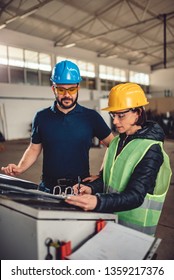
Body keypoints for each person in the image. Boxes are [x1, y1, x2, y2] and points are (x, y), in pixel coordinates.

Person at [66, 82, 172, 235]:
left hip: (136, 232)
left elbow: (136, 196)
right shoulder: (116, 142)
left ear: (138, 113)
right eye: (113, 115)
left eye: (121, 115)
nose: (115, 121)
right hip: (111, 222)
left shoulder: (151, 149)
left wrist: (97, 201)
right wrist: (91, 188)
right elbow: (109, 179)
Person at [1, 60, 114, 193]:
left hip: (80, 189)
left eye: (71, 89)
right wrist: (20, 167)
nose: (67, 95)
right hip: (48, 189)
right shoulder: (41, 117)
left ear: (78, 88)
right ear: (54, 89)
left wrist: (102, 175)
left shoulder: (91, 117)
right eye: (61, 89)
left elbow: (113, 144)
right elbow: (34, 148)